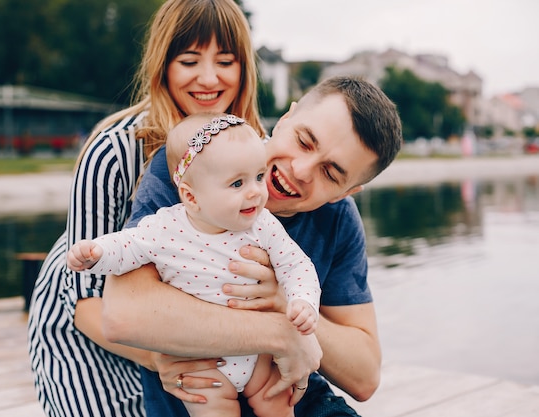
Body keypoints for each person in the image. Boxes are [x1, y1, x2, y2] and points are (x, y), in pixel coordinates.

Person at [100, 75, 403, 417]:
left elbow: (364, 375)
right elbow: (122, 314)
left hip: (292, 402)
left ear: (346, 193)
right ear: (285, 119)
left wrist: (285, 301)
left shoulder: (338, 219)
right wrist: (281, 334)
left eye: (331, 174)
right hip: (201, 402)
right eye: (304, 141)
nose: (301, 170)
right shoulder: (199, 162)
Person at [27, 1, 264, 416]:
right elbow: (84, 304)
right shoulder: (114, 151)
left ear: (244, 69)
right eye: (189, 60)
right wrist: (166, 360)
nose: (209, 78)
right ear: (163, 65)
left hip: (173, 327)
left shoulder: (249, 147)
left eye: (225, 61)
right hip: (87, 336)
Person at [67, 113, 321, 417]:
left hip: (259, 354)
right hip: (201, 357)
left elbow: (297, 266)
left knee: (277, 401)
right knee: (211, 406)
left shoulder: (263, 225)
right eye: (237, 183)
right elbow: (128, 246)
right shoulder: (166, 227)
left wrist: (302, 300)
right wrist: (97, 252)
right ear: (191, 196)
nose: (255, 191)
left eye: (258, 176)